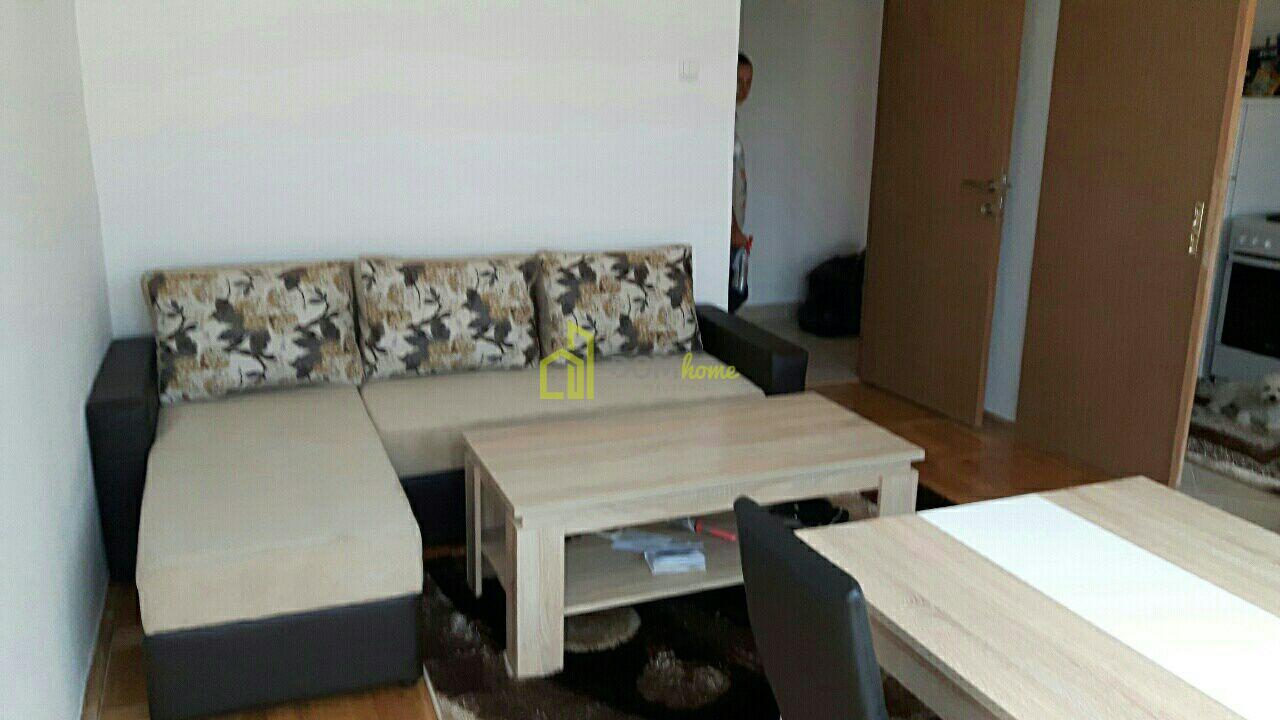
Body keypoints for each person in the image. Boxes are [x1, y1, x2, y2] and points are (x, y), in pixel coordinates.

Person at [729, 52, 754, 313]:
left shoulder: (732, 118)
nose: (743, 89)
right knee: (733, 293)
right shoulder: (721, 122)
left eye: (748, 82)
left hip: (735, 224)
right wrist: (733, 229)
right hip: (728, 226)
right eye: (738, 81)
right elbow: (721, 181)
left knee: (736, 288)